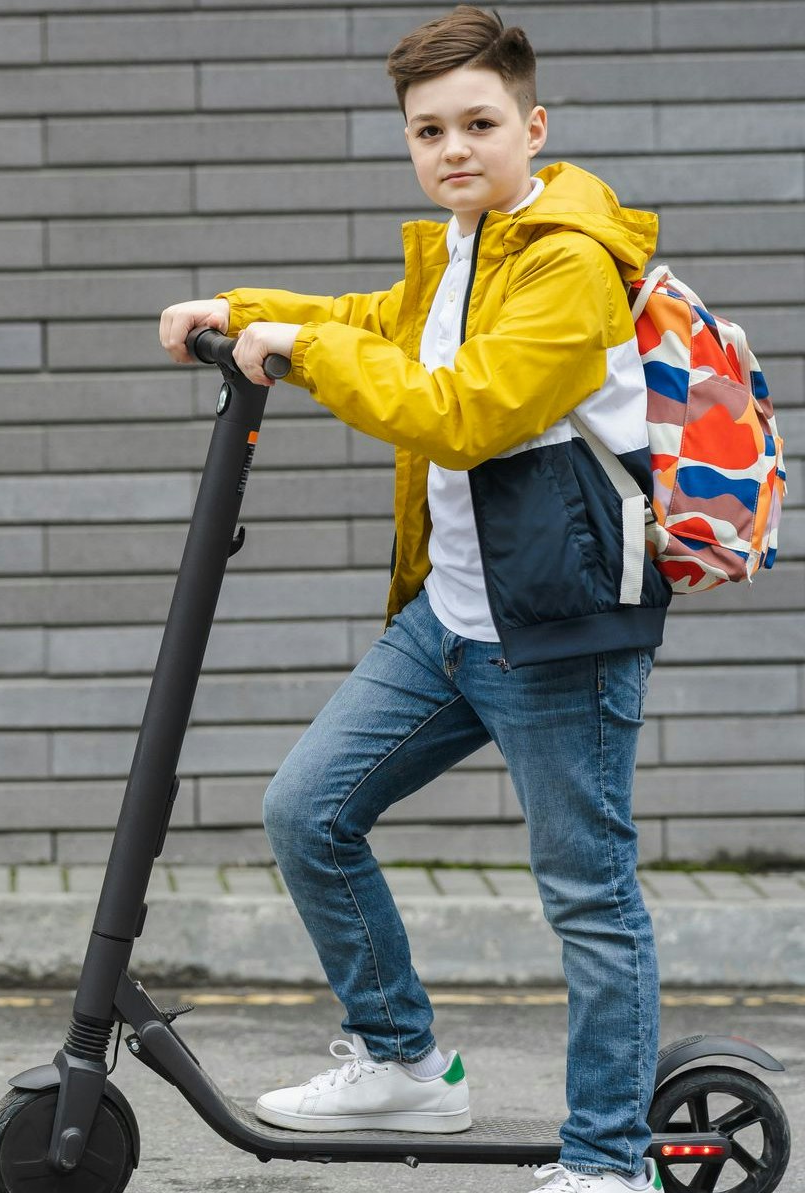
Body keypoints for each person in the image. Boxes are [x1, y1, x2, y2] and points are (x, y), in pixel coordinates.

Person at [156, 6, 670, 1192]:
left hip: (560, 635)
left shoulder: (567, 264)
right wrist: (245, 311)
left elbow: (464, 410)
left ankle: (610, 1159)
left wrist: (298, 348)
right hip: (452, 618)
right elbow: (377, 326)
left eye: (479, 123)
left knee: (588, 894)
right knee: (307, 813)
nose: (454, 147)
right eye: (428, 128)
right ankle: (403, 1061)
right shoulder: (461, 244)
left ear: (532, 127)